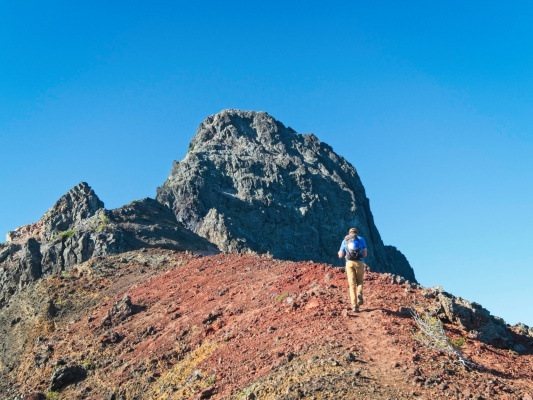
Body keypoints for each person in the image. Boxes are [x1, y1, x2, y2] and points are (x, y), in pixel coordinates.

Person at [338, 227, 367, 312]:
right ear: (356, 233)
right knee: (360, 282)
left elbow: (340, 255)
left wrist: (339, 253)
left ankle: (354, 306)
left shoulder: (345, 240)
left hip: (349, 263)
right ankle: (359, 293)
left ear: (349, 233)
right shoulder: (361, 239)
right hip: (359, 262)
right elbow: (365, 254)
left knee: (352, 285)